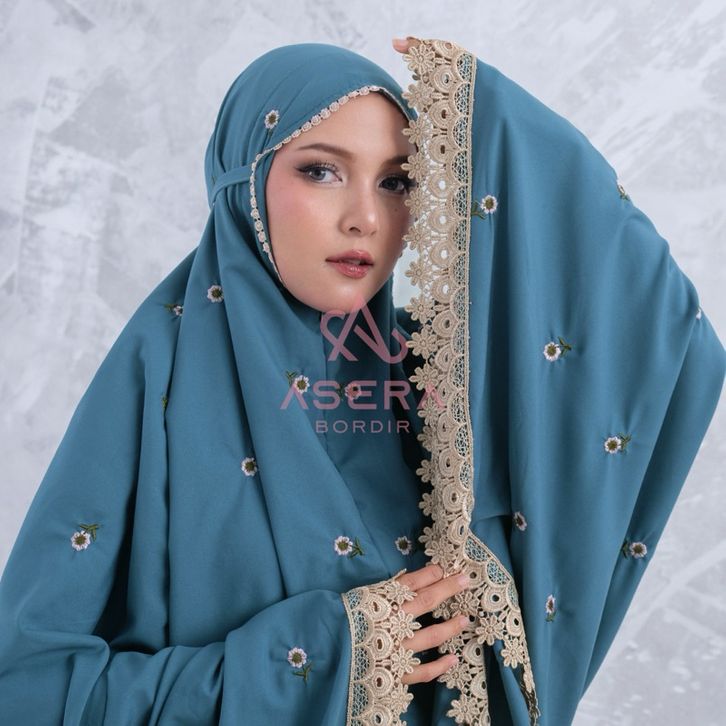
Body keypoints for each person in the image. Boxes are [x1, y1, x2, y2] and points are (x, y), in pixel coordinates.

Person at [0, 41, 469, 725]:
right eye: (322, 171)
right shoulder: (157, 377)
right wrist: (314, 658)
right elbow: (26, 690)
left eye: (396, 182)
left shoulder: (431, 375)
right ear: (244, 182)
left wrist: (483, 97)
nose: (366, 218)